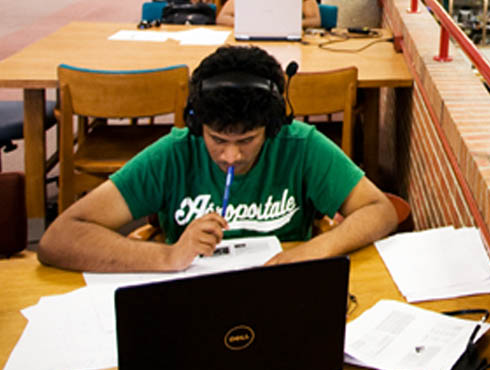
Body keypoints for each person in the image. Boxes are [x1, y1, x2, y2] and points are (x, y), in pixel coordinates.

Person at [37, 46, 397, 272]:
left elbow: (378, 209)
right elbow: (59, 238)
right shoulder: (175, 154)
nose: (231, 155)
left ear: (272, 126)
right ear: (197, 125)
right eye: (217, 139)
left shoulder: (299, 146)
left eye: (248, 139)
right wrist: (169, 256)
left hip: (281, 296)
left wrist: (312, 251)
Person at [217, 0, 321, 29]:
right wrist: (246, 23)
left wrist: (292, 24)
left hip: (289, 45)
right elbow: (221, 18)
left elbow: (316, 20)